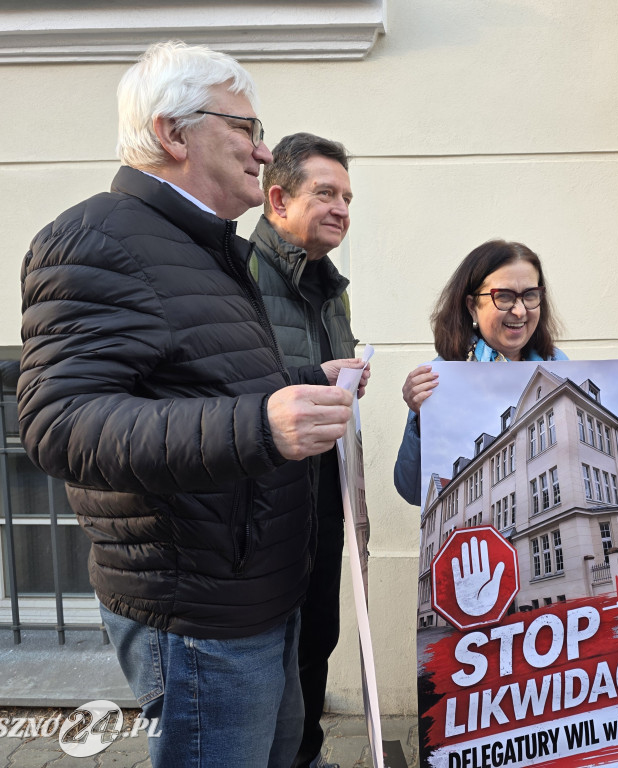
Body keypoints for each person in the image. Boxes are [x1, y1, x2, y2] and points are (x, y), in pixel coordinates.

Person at [17, 41, 363, 768]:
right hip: (200, 617)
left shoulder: (205, 245)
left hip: (256, 594)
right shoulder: (96, 238)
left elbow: (192, 378)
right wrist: (262, 424)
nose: (264, 152)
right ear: (174, 134)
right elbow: (61, 424)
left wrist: (304, 374)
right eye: (245, 128)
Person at [393, 239, 618, 504]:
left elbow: (591, 452)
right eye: (503, 297)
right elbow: (413, 492)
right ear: (472, 306)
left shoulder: (558, 365)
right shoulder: (441, 375)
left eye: (530, 295)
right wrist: (420, 420)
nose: (519, 310)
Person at [250, 132, 364, 768]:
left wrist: (345, 380)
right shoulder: (237, 272)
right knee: (267, 648)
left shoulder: (334, 288)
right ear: (276, 199)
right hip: (262, 498)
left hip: (323, 494)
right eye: (325, 192)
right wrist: (314, 373)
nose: (342, 207)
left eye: (347, 196)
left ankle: (307, 754)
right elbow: (221, 378)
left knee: (318, 635)